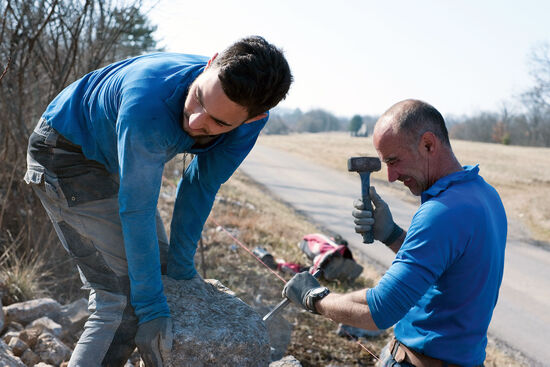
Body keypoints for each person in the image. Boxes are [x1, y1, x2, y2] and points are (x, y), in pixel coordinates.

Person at [24, 36, 292, 366]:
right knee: (124, 301)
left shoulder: (250, 122)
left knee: (160, 274)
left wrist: (181, 267)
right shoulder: (148, 104)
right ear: (211, 63)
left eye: (218, 122)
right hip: (64, 152)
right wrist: (151, 308)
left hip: (112, 158)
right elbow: (136, 209)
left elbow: (200, 185)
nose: (196, 121)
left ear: (251, 119)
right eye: (198, 99)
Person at [282, 99, 507, 367]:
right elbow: (442, 269)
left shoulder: (441, 212)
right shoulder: (485, 195)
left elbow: (379, 310)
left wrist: (315, 298)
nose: (389, 176)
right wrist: (391, 234)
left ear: (428, 144)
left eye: (393, 161)